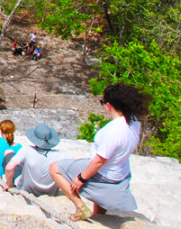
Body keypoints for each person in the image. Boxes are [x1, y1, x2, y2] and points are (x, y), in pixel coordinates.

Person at [49, 83, 150, 221]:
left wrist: (81, 178)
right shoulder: (134, 122)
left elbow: (99, 161)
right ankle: (98, 215)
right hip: (121, 171)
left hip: (104, 172)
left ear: (109, 105)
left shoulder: (113, 131)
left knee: (55, 168)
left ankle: (80, 207)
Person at [4, 124, 69, 196]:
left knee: (9, 153)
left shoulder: (27, 150)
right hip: (50, 192)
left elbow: (9, 168)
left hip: (26, 190)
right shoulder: (62, 155)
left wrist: (10, 185)